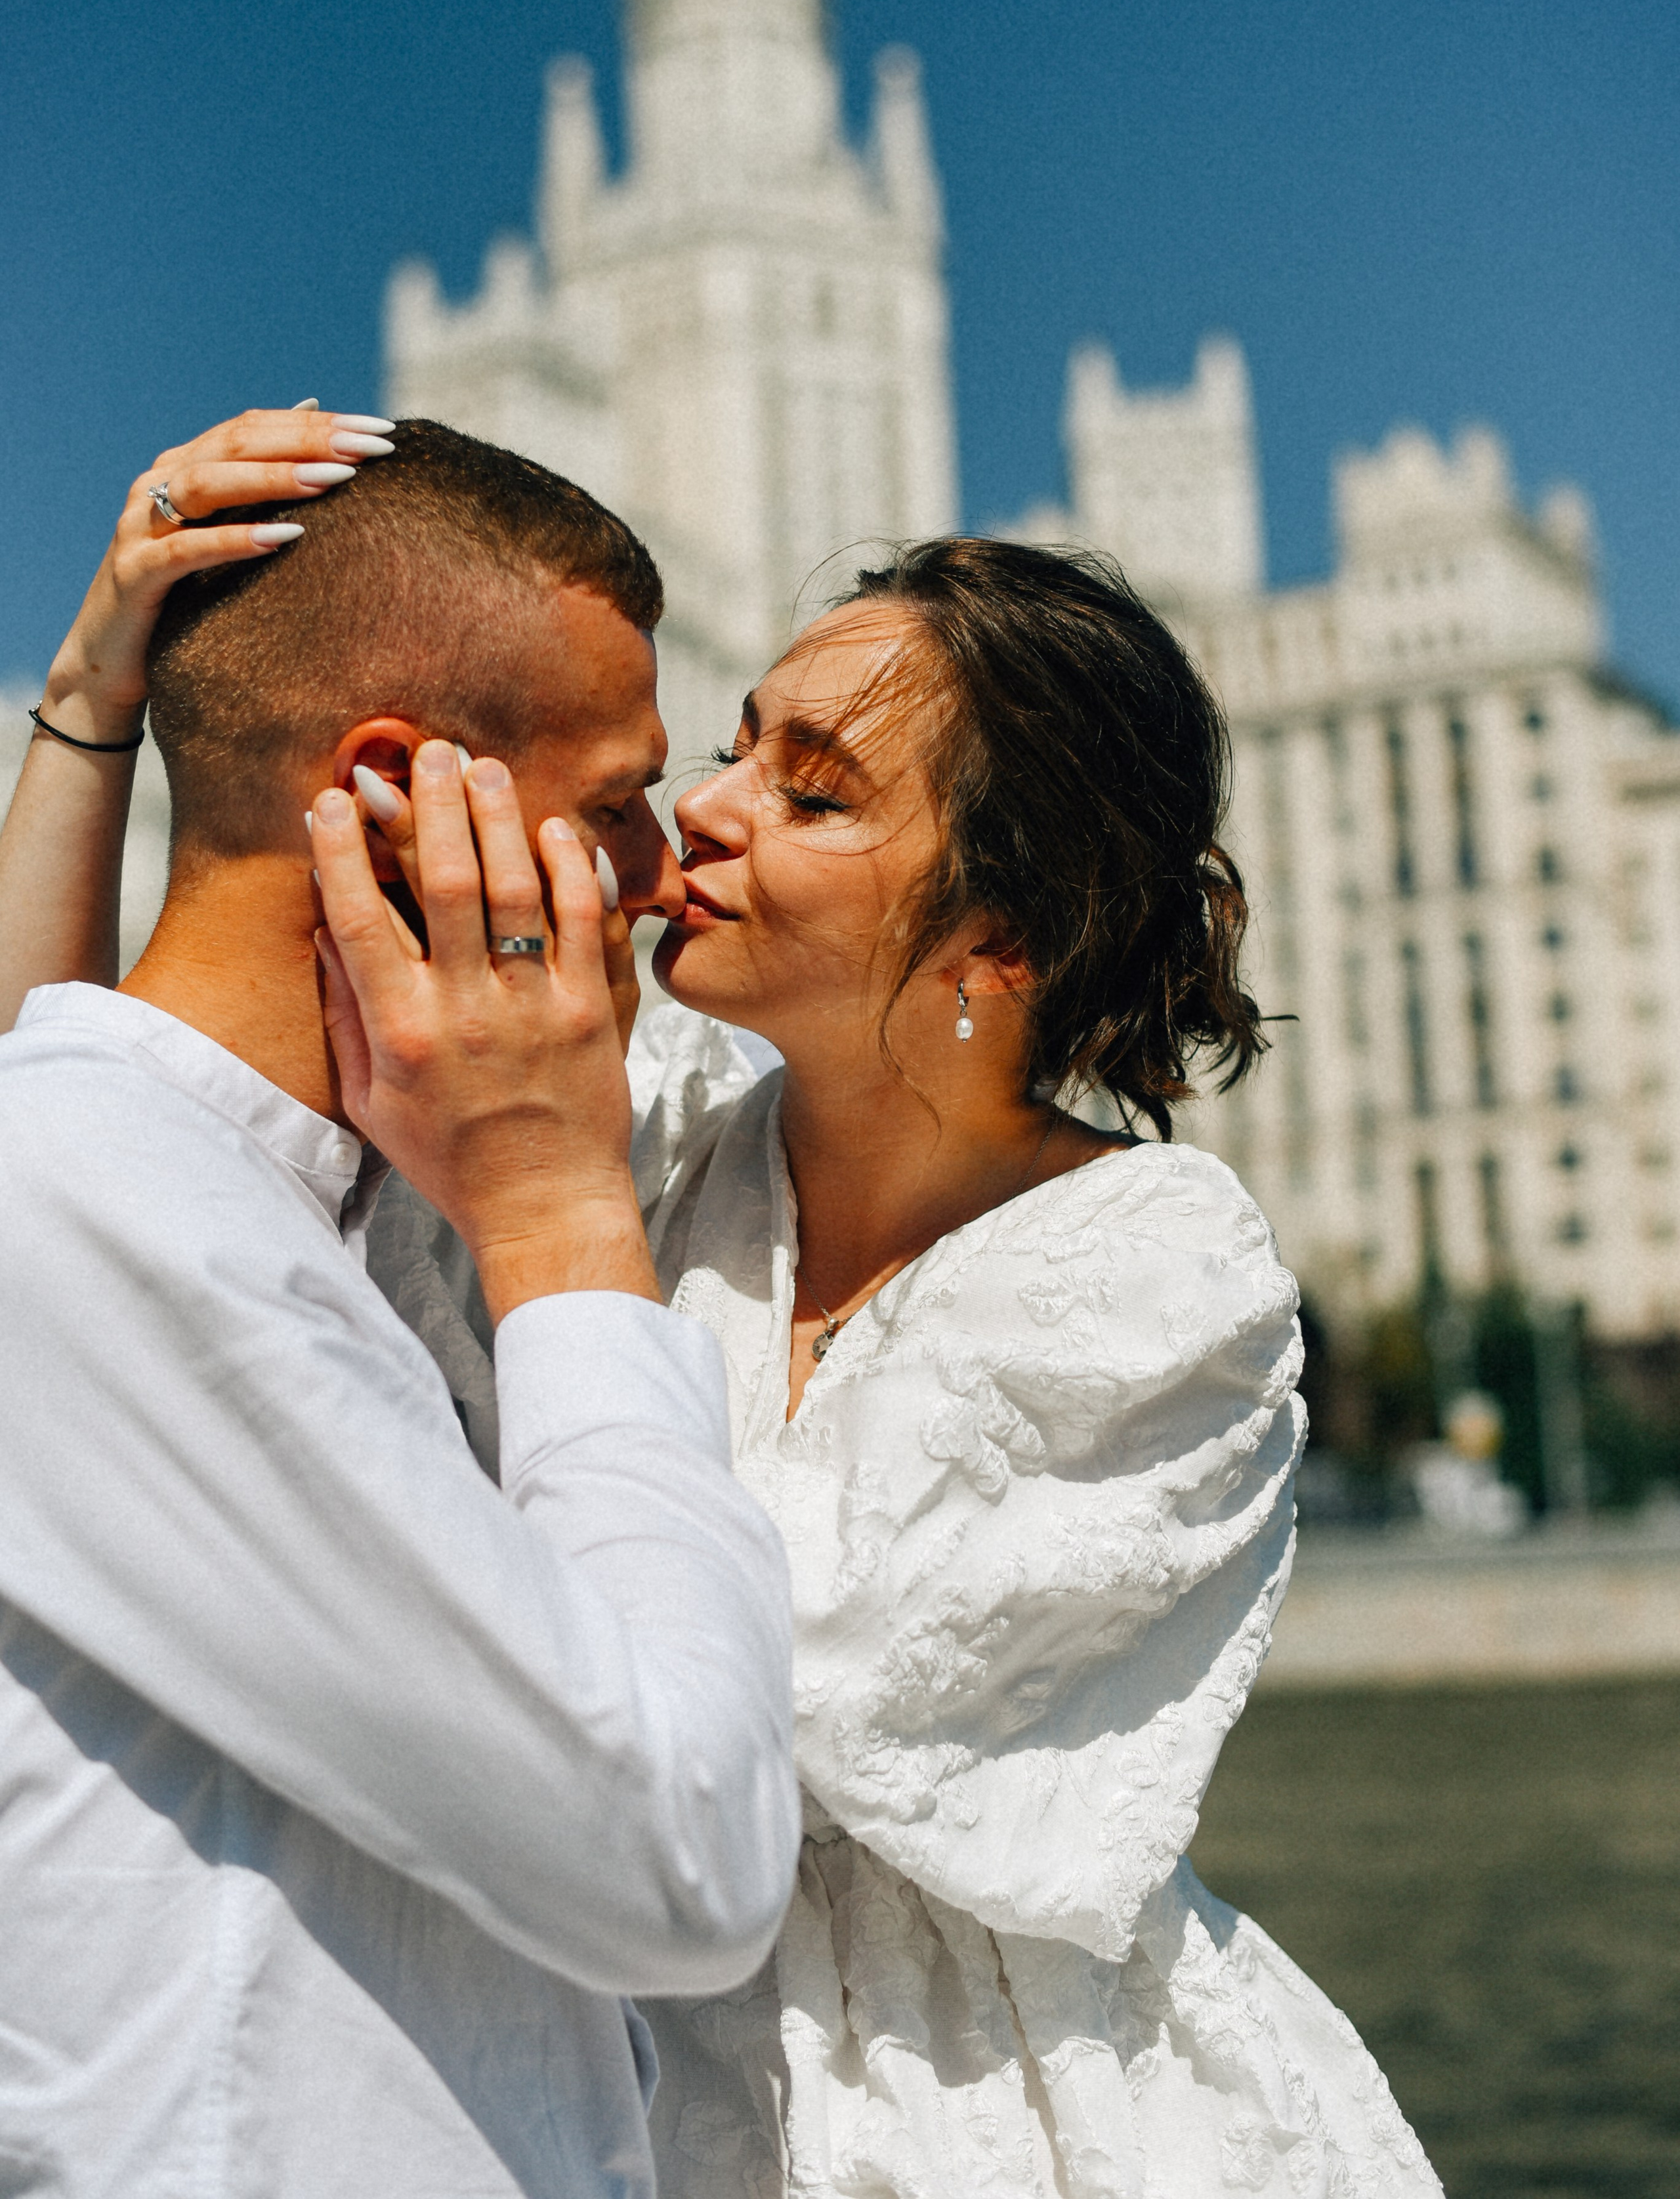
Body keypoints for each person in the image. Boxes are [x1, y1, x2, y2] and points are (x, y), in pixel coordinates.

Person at [5, 422, 1443, 2197]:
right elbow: (118, 1139)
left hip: (969, 2115)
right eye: (725, 746)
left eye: (815, 789)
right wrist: (97, 709)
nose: (695, 814)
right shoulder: (642, 1120)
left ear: (1001, 936)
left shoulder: (1146, 1266)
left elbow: (732, 1735)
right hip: (611, 2067)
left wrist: (548, 1199)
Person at [0, 408, 799, 2197]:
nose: (664, 869)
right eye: (612, 802)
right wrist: (561, 1203)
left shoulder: (278, 1203)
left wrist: (92, 699)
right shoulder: (99, 1199)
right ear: (387, 795)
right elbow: (687, 1854)